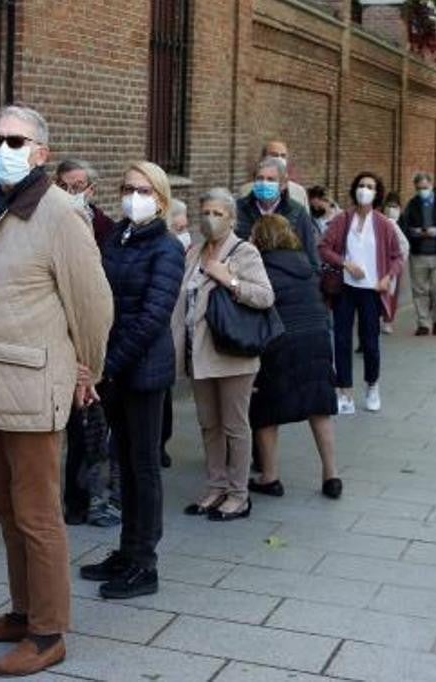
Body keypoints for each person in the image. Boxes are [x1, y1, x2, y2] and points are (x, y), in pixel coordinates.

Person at [0, 105, 114, 677]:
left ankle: (48, 632)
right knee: (6, 509)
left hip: (30, 385)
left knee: (38, 515)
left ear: (41, 153)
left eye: (15, 140)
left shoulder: (59, 214)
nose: (2, 147)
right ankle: (22, 612)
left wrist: (86, 369)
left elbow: (93, 303)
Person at [80, 161, 184, 600]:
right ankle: (125, 552)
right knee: (122, 461)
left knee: (143, 469)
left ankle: (145, 562)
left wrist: (108, 365)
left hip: (141, 372)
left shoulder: (167, 247)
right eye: (126, 188)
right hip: (115, 371)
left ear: (159, 199)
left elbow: (151, 319)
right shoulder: (116, 238)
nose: (133, 196)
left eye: (142, 190)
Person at [173, 189, 274, 520]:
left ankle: (238, 494)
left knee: (234, 425)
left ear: (232, 218)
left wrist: (229, 279)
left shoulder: (244, 252)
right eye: (205, 212)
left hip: (232, 355)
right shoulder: (194, 252)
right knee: (208, 424)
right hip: (198, 354)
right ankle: (215, 487)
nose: (209, 219)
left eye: (218, 213)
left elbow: (264, 296)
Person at [249, 213, 341, 500]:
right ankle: (331, 474)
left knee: (264, 411)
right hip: (317, 339)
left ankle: (270, 476)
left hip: (281, 342)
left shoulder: (261, 267)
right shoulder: (304, 263)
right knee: (319, 407)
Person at [54, 158, 121, 528]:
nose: (73, 193)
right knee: (70, 430)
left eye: (80, 186)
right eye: (66, 186)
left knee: (92, 429)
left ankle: (92, 499)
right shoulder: (50, 224)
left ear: (91, 190)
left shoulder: (106, 229)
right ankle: (74, 501)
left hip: (95, 345)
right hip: (60, 342)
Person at [319, 172, 404, 415]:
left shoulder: (384, 224)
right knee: (342, 341)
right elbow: (323, 247)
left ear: (377, 193)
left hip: (371, 291)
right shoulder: (342, 219)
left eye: (370, 186)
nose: (364, 190)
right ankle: (344, 392)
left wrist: (388, 277)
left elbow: (397, 256)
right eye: (361, 185)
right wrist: (344, 263)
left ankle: (372, 386)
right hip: (344, 288)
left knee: (370, 342)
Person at [235, 157, 320, 269]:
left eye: (271, 180)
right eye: (260, 178)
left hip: (284, 280)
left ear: (283, 184)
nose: (264, 183)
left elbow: (311, 258)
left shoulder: (297, 213)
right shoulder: (238, 209)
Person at [398, 172, 436, 336]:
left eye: (425, 187)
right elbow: (404, 226)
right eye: (419, 188)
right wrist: (415, 232)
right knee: (419, 290)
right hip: (418, 253)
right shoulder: (412, 204)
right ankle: (423, 323)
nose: (422, 191)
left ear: (431, 186)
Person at [159, 198, 192, 470]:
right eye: (177, 229)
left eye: (185, 229)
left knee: (166, 392)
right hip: (161, 328)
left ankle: (162, 442)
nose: (183, 235)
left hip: (177, 329)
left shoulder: (191, 252)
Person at [238, 140, 310, 207]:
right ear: (263, 158)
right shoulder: (245, 191)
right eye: (274, 155)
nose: (279, 159)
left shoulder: (299, 192)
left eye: (283, 156)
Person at [379, 192, 410, 334]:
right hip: (381, 263)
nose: (391, 209)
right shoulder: (379, 221)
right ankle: (380, 318)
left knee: (392, 293)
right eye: (389, 205)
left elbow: (404, 245)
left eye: (395, 206)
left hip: (395, 265)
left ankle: (387, 320)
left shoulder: (401, 222)